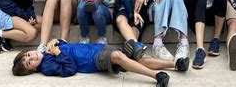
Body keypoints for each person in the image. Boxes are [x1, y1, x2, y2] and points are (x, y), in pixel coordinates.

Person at [12, 38, 175, 86]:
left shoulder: (47, 50)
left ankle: (175, 64)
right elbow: (70, 69)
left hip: (95, 49)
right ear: (32, 70)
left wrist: (57, 41)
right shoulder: (47, 67)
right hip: (93, 60)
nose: (31, 57)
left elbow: (66, 44)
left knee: (133, 60)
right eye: (29, 63)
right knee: (119, 57)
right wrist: (58, 52)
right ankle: (157, 75)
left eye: (27, 55)